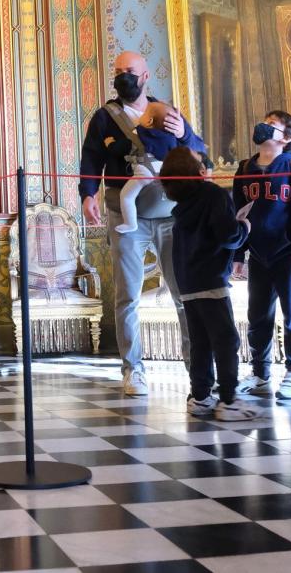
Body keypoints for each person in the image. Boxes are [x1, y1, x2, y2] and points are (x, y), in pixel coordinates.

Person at [80, 50, 208, 395]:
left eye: (130, 71)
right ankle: (132, 369)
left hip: (170, 215)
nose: (124, 76)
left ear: (146, 75)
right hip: (126, 216)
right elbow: (91, 157)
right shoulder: (104, 118)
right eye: (118, 71)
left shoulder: (167, 113)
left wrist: (183, 134)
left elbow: (200, 153)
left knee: (183, 294)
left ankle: (196, 367)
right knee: (127, 297)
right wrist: (87, 194)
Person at [160, 147, 258, 421]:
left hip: (188, 282)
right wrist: (245, 228)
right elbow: (228, 236)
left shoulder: (182, 205)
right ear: (201, 171)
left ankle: (201, 397)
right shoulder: (213, 194)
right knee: (226, 340)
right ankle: (228, 400)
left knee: (200, 342)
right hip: (211, 279)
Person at [232, 111, 291, 401]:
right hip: (259, 255)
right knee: (257, 316)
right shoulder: (245, 169)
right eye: (264, 122)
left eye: (272, 125)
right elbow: (239, 214)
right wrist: (238, 253)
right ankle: (259, 373)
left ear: (285, 138)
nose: (264, 127)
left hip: (289, 255)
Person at [117, 100, 181, 234]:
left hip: (145, 171)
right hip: (165, 173)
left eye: (144, 113)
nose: (141, 114)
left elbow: (122, 147)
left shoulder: (138, 132)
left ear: (149, 121)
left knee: (126, 197)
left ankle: (130, 223)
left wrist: (110, 143)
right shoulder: (172, 137)